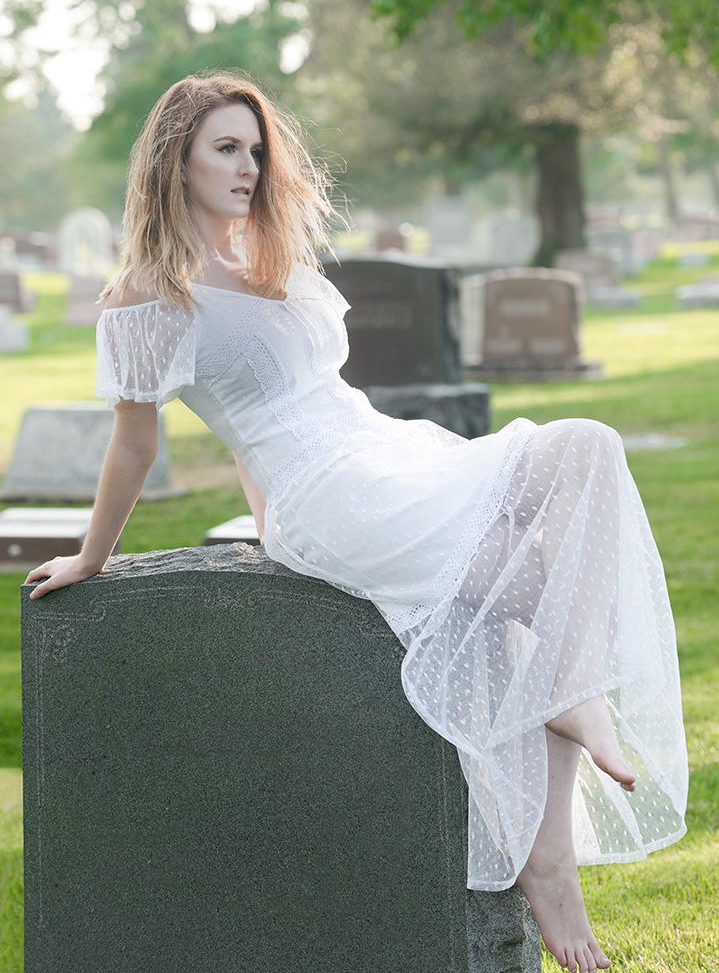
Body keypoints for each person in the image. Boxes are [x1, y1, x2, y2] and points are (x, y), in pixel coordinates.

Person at [25, 71, 687, 973]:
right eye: (226, 148)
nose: (249, 166)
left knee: (584, 450)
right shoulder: (146, 295)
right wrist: (90, 558)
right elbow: (135, 445)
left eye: (256, 149)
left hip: (384, 455)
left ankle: (563, 738)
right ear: (175, 159)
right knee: (533, 582)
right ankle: (553, 832)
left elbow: (312, 390)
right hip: (327, 495)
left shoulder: (269, 255)